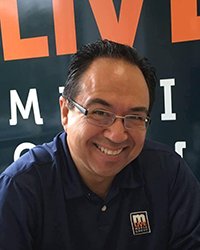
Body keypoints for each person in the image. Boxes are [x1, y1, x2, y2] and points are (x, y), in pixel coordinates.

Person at [0, 39, 200, 250]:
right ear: (66, 112)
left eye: (134, 117)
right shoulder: (21, 190)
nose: (117, 135)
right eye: (100, 113)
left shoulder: (167, 173)